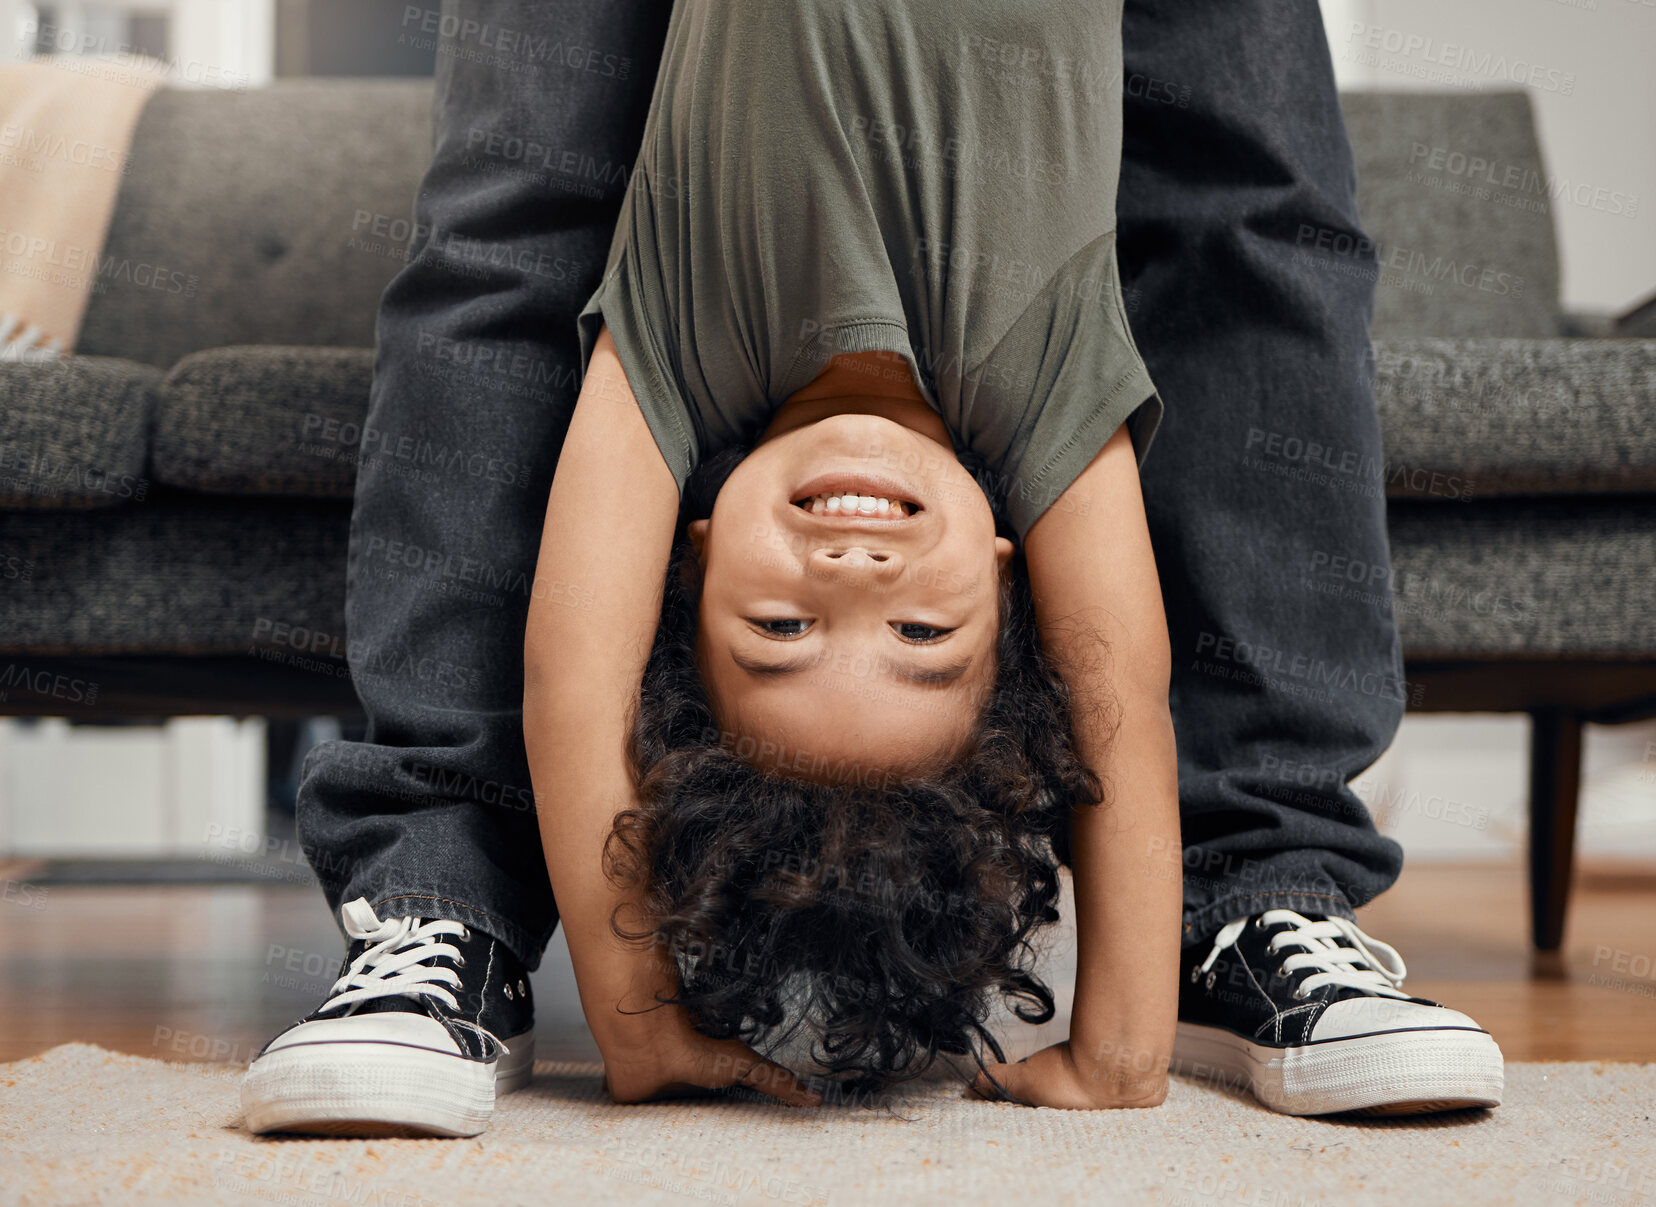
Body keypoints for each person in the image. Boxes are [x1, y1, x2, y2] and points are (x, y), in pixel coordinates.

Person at [239, 0, 1502, 1137]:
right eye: (921, 640)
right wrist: (1120, 1046)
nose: (853, 568)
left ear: (689, 560)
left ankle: (444, 900)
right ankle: (1257, 886)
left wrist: (636, 1028)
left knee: (516, 191)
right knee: (1260, 210)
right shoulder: (1052, 381)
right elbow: (1123, 690)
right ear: (1015, 592)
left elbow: (571, 678)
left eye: (781, 627)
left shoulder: (673, 344)